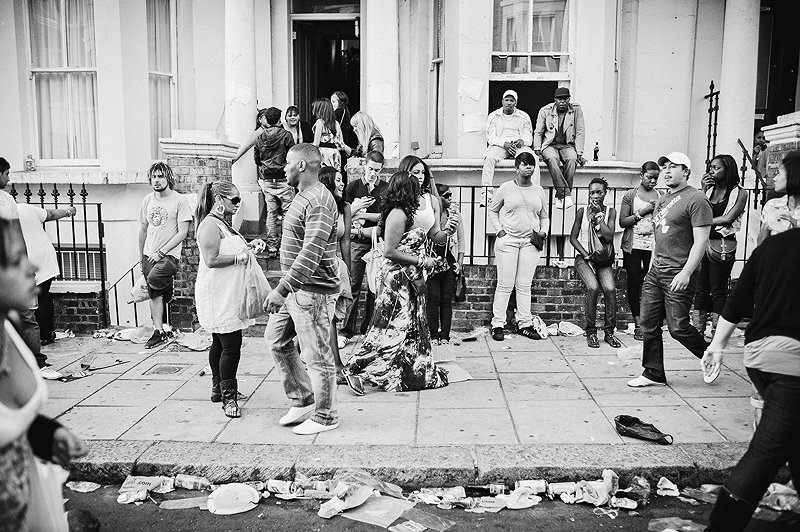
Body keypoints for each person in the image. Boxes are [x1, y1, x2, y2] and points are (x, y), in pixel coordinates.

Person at [700, 228, 800, 531]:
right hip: (792, 362)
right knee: (767, 451)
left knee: (792, 440)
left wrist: (717, 345)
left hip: (760, 356)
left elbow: (737, 300)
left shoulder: (774, 245)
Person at [0, 217, 88, 531]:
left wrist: (47, 434)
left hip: (29, 505)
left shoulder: (9, 329)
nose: (31, 267)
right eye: (14, 261)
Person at [341, 171, 454, 396]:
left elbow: (432, 237)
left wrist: (447, 231)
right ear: (407, 190)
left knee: (409, 328)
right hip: (397, 281)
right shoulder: (397, 215)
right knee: (387, 329)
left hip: (411, 278)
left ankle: (406, 369)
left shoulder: (407, 214)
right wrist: (423, 261)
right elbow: (390, 251)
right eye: (415, 189)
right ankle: (356, 369)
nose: (420, 193)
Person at [263, 143, 340, 435]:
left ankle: (326, 416)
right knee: (276, 340)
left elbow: (312, 251)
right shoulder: (302, 197)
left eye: (288, 163)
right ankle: (303, 398)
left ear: (303, 166)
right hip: (298, 289)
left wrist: (282, 288)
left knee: (317, 355)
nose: (284, 168)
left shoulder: (318, 200)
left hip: (312, 291)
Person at [628, 152, 712, 388]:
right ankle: (653, 372)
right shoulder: (663, 199)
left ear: (685, 171)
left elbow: (701, 242)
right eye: (664, 166)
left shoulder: (697, 199)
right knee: (648, 324)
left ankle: (710, 354)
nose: (666, 171)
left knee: (678, 328)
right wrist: (653, 265)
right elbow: (659, 236)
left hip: (678, 272)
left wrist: (686, 273)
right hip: (656, 272)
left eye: (672, 167)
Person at [195, 181, 266, 418]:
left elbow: (231, 248)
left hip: (227, 293)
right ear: (218, 200)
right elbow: (211, 259)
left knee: (220, 343)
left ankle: (218, 388)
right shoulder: (208, 225)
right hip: (219, 295)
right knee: (230, 346)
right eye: (234, 200)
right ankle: (229, 397)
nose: (238, 204)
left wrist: (249, 245)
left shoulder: (222, 224)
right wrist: (241, 257)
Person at [488, 151, 549, 342]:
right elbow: (493, 210)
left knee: (524, 285)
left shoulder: (538, 190)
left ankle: (524, 324)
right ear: (516, 168)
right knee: (505, 285)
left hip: (530, 242)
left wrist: (543, 232)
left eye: (531, 164)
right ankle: (498, 324)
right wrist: (499, 231)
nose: (528, 167)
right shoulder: (506, 188)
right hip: (509, 241)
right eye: (524, 164)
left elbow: (544, 216)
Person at [0, 157, 53, 376]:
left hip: (8, 267)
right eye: (6, 174)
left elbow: (16, 234)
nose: (9, 178)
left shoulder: (7, 199)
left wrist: (22, 263)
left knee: (26, 315)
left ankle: (36, 361)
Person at [693, 154, 748, 337]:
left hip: (722, 245)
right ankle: (698, 329)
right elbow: (698, 209)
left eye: (716, 168)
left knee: (718, 288)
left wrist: (704, 222)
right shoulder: (709, 190)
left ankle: (717, 331)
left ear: (728, 169)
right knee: (701, 287)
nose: (712, 171)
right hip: (704, 242)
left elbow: (728, 218)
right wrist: (702, 188)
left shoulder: (739, 192)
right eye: (711, 167)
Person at [138, 162, 192, 349]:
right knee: (154, 292)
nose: (157, 180)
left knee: (154, 280)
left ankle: (167, 288)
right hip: (149, 254)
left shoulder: (179, 201)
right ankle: (158, 331)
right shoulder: (147, 200)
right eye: (154, 177)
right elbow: (144, 229)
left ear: (168, 178)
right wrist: (141, 257)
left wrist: (161, 252)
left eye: (161, 176)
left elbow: (182, 232)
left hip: (169, 256)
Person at [570, 177, 622, 348]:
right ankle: (591, 332)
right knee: (592, 287)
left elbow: (608, 236)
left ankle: (609, 332)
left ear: (605, 192)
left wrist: (599, 218)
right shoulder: (581, 211)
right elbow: (573, 238)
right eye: (592, 192)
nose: (595, 196)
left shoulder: (611, 212)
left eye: (599, 192)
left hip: (603, 259)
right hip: (584, 258)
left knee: (610, 289)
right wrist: (586, 255)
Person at [340, 150, 387, 343]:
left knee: (376, 287)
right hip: (357, 242)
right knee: (353, 284)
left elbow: (384, 218)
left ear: (381, 169)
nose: (373, 173)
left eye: (377, 170)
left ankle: (370, 329)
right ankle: (345, 331)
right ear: (364, 166)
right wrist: (355, 212)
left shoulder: (385, 188)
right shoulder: (353, 187)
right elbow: (346, 215)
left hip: (379, 242)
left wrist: (361, 214)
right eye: (370, 168)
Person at [17, 202, 78, 348]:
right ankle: (46, 334)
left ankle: (35, 336)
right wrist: (68, 211)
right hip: (43, 257)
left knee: (28, 303)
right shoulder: (25, 208)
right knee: (43, 296)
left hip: (23, 259)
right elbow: (50, 214)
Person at [618, 161, 662, 341]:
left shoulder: (660, 195)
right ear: (641, 175)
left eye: (655, 178)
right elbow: (622, 222)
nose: (652, 181)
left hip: (652, 245)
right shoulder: (630, 195)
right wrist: (643, 211)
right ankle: (638, 324)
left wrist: (658, 208)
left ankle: (649, 322)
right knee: (634, 283)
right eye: (649, 177)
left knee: (651, 284)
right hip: (633, 245)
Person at [318, 166, 352, 379]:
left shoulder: (345, 207)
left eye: (342, 180)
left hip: (335, 266)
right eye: (338, 180)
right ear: (328, 181)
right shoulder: (318, 205)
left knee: (328, 316)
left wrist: (347, 269)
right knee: (327, 317)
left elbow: (345, 240)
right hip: (317, 266)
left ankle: (294, 352)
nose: (342, 184)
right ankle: (336, 365)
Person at [534, 86, 586, 209]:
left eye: (565, 99)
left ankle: (560, 196)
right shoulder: (545, 110)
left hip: (568, 145)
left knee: (572, 159)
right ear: (555, 100)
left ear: (569, 99)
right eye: (559, 99)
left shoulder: (576, 110)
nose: (562, 102)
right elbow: (538, 132)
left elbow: (580, 131)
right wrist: (537, 149)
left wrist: (579, 152)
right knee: (552, 159)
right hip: (549, 144)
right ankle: (566, 195)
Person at [254, 107, 296, 258]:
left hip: (267, 180)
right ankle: (286, 245)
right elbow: (293, 157)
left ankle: (272, 247)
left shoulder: (259, 138)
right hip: (284, 179)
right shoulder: (286, 135)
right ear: (279, 120)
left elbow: (257, 160)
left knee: (271, 214)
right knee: (287, 213)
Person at [427, 183, 464, 345]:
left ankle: (445, 336)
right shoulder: (431, 214)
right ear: (438, 198)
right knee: (433, 298)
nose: (450, 199)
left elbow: (461, 241)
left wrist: (460, 262)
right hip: (432, 258)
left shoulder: (455, 215)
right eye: (446, 196)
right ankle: (434, 335)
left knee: (446, 299)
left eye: (451, 195)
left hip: (449, 258)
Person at [482, 90, 533, 195]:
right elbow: (491, 137)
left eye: (512, 100)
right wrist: (504, 144)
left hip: (518, 146)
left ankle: (532, 190)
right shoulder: (494, 116)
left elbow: (529, 137)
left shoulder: (523, 116)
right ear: (502, 101)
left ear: (516, 103)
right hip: (500, 145)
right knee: (489, 158)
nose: (509, 103)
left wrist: (522, 141)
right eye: (507, 100)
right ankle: (486, 192)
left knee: (531, 158)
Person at [757, 150, 800, 245]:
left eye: (779, 174)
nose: (774, 178)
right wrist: (766, 225)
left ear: (793, 177)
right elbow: (760, 247)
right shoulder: (772, 205)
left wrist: (795, 228)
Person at [312, 98, 351, 171]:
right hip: (335, 154)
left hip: (323, 154)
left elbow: (316, 143)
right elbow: (341, 142)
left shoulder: (320, 122)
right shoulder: (336, 123)